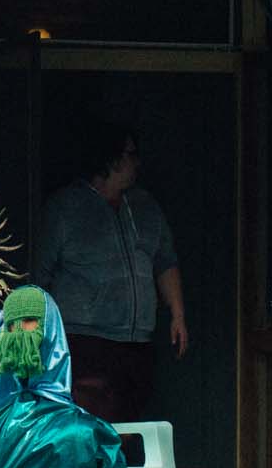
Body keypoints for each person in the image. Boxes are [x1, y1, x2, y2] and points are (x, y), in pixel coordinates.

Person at [33, 118, 185, 423]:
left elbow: (165, 261)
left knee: (130, 428)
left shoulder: (145, 206)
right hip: (86, 342)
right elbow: (40, 276)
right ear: (110, 158)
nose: (137, 162)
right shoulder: (65, 208)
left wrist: (178, 315)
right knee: (89, 428)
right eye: (131, 154)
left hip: (138, 343)